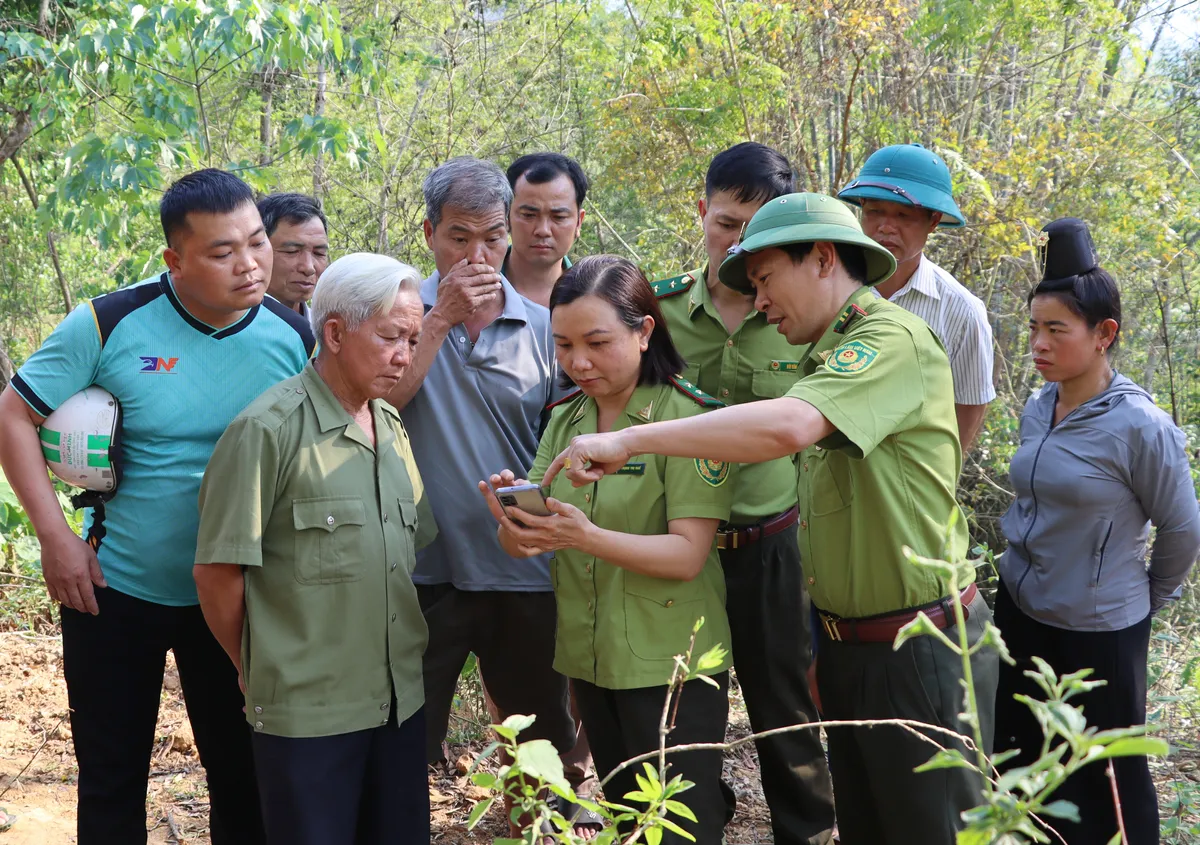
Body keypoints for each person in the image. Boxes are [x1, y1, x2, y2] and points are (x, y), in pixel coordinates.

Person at [540, 194, 1000, 845]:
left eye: (764, 279)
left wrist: (632, 439)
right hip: (855, 646)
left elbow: (788, 426)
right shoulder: (826, 355)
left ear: (822, 258)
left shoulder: (887, 339)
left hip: (919, 645)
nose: (758, 302)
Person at [0, 168, 315, 844]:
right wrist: (55, 538)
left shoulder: (293, 337)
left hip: (238, 597)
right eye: (222, 251)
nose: (249, 264)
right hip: (115, 589)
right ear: (175, 258)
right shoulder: (110, 322)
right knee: (111, 780)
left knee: (243, 778)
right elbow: (14, 414)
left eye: (257, 242)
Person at [481, 255, 733, 844]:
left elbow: (687, 555)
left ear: (644, 331)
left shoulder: (688, 420)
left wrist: (586, 537)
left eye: (597, 343)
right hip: (591, 656)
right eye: (564, 345)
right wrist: (514, 520)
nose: (579, 362)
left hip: (671, 664)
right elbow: (525, 543)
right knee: (627, 822)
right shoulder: (567, 418)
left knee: (680, 828)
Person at [194, 253, 434, 845]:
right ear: (335, 333)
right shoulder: (267, 431)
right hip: (308, 715)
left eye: (412, 340)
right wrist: (256, 664)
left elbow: (406, 550)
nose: (404, 356)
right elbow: (217, 573)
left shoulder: (390, 427)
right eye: (390, 337)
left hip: (398, 705)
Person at [994, 218, 1200, 845]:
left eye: (1056, 330)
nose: (1038, 343)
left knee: (1107, 780)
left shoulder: (1141, 426)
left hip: (1100, 633)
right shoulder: (1039, 405)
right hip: (1021, 613)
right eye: (1034, 327)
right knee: (1024, 761)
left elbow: (1182, 527)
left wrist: (1144, 599)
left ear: (1104, 334)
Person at [386, 157, 577, 834]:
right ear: (429, 232)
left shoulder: (546, 328)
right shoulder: (397, 316)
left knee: (539, 743)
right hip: (421, 570)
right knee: (403, 737)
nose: (477, 256)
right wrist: (437, 320)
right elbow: (378, 405)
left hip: (523, 569)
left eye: (492, 238)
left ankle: (537, 832)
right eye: (458, 237)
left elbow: (570, 442)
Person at [652, 142, 834, 845]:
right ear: (702, 211)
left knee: (785, 711)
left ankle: (806, 831)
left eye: (756, 232)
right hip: (676, 548)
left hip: (770, 542)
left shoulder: (809, 319)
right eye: (725, 224)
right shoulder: (658, 309)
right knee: (679, 711)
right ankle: (698, 822)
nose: (736, 245)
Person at [838, 143, 995, 452]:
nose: (886, 227)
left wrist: (940, 473)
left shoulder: (960, 310)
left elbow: (969, 404)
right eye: (875, 212)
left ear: (933, 221)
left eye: (903, 215)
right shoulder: (831, 288)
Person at [504, 152, 587, 307]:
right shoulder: (471, 289)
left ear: (578, 222)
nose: (543, 230)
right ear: (506, 216)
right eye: (528, 215)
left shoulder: (594, 297)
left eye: (559, 217)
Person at [258, 192, 330, 316]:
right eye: (292, 251)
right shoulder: (230, 324)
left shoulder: (325, 326)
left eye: (319, 253)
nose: (309, 268)